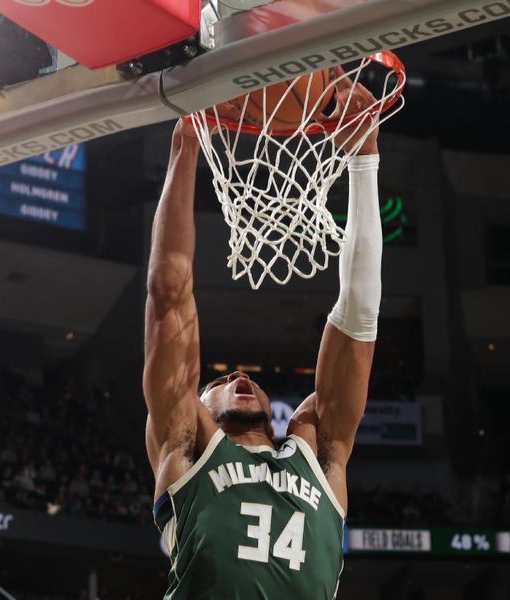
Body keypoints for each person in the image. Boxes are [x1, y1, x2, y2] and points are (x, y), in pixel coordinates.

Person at [144, 76, 383, 599]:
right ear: (199, 407)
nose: (237, 376)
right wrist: (187, 139)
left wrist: (364, 158)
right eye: (218, 382)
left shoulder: (319, 450)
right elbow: (168, 294)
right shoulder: (187, 447)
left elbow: (360, 319)